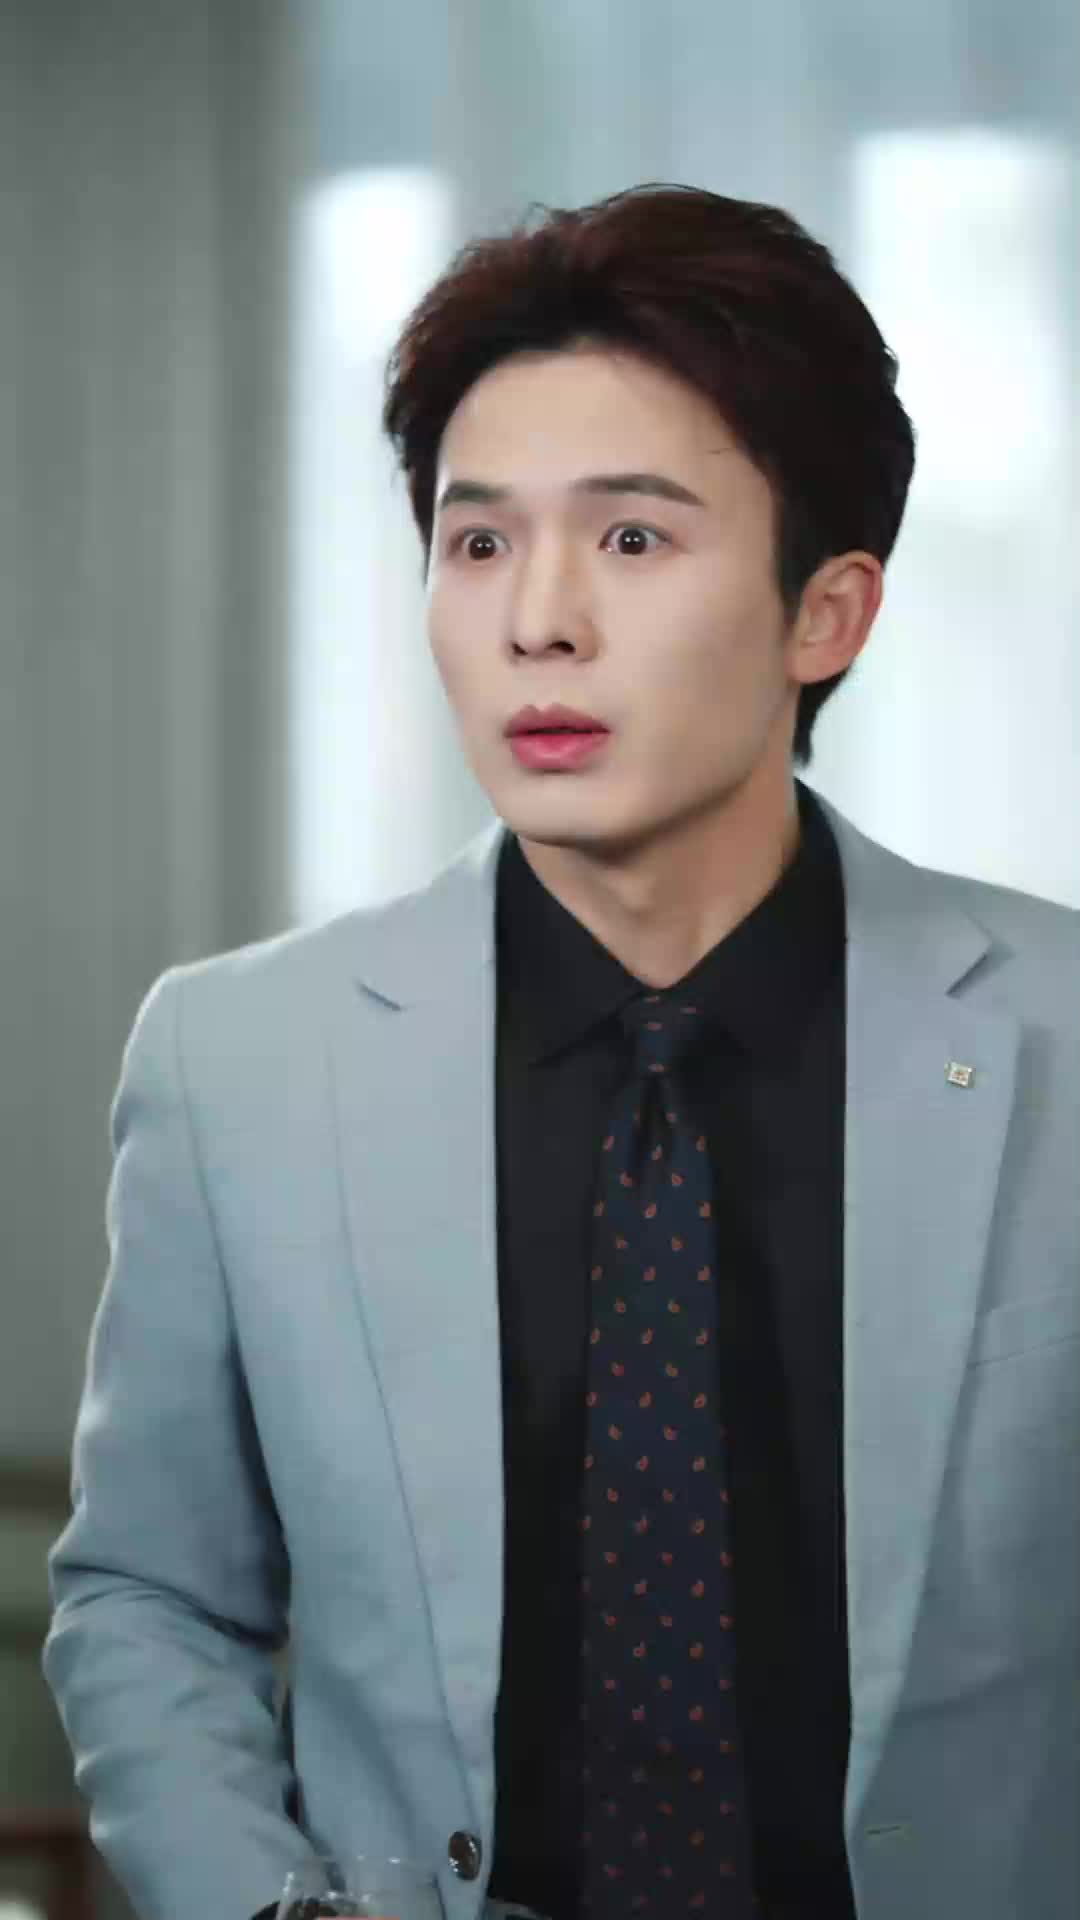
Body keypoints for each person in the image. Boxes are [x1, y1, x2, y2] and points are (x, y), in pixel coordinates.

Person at [43, 183, 1079, 1920]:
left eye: (633, 541)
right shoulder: (242, 1063)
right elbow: (149, 1597)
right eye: (476, 544)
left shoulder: (1057, 1032)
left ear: (827, 613)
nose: (539, 621)